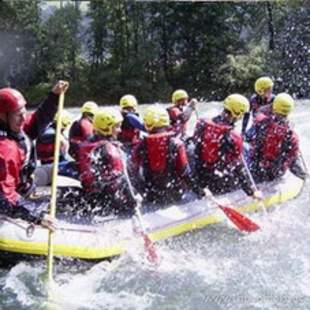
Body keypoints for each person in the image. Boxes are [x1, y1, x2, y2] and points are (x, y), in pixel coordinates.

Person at [0, 81, 69, 230]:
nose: (23, 118)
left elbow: (38, 120)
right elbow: (5, 197)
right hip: (9, 196)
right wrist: (37, 216)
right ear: (3, 116)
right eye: (18, 114)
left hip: (23, 183)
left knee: (59, 175)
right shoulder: (5, 151)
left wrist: (54, 96)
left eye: (24, 111)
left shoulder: (17, 128)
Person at [130, 105, 205, 206]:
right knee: (191, 151)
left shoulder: (140, 146)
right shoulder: (176, 144)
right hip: (175, 195)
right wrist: (200, 191)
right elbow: (185, 173)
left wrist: (143, 192)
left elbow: (132, 173)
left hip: (152, 195)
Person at [193, 94, 262, 198]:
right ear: (237, 114)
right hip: (217, 184)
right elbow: (238, 168)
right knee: (246, 152)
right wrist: (251, 192)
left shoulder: (202, 123)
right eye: (242, 115)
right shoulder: (234, 137)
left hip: (199, 177)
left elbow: (197, 150)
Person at [75, 107, 137, 218]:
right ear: (106, 128)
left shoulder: (86, 144)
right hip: (111, 203)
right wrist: (133, 202)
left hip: (92, 199)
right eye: (117, 127)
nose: (120, 130)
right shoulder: (110, 150)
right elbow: (121, 180)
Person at [245, 93, 306, 182]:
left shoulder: (260, 122)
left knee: (244, 147)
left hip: (255, 170)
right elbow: (293, 162)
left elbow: (247, 137)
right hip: (275, 173)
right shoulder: (291, 135)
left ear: (274, 107)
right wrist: (303, 176)